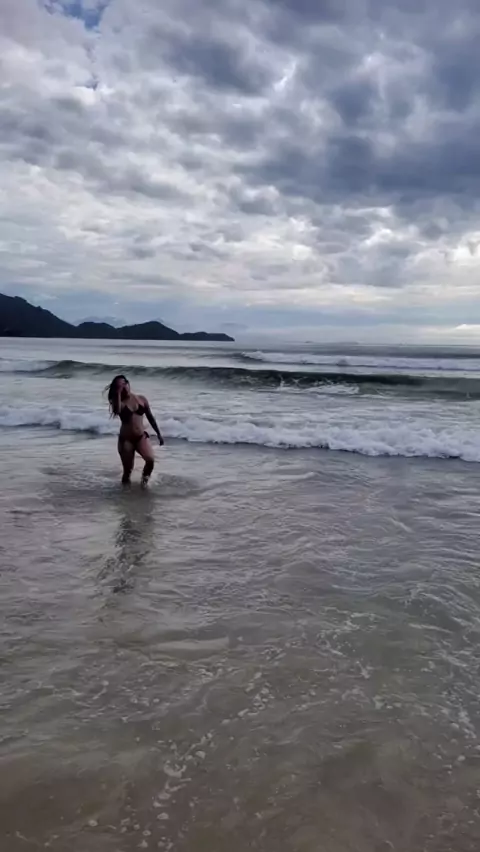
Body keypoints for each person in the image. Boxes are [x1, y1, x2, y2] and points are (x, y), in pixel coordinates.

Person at [106, 374, 164, 486]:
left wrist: (159, 434)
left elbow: (150, 417)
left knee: (150, 460)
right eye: (119, 387)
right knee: (128, 471)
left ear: (128, 383)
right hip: (126, 440)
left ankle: (144, 484)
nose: (123, 388)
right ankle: (125, 493)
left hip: (140, 437)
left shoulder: (141, 399)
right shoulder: (119, 402)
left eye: (124, 384)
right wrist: (118, 393)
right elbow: (117, 411)